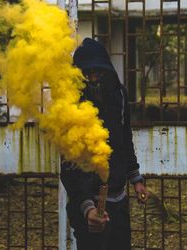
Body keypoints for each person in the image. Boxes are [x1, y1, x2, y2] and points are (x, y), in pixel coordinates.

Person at [60, 38, 149, 250]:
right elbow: (68, 164)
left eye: (98, 72)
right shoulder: (71, 103)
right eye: (87, 73)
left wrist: (135, 178)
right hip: (88, 201)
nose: (93, 78)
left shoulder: (118, 94)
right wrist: (88, 208)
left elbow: (124, 138)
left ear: (106, 69)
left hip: (119, 198)